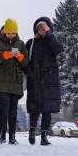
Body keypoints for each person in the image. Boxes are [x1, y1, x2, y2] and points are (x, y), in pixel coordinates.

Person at [0, 18, 29, 145]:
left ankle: (12, 136)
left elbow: (26, 62)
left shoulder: (21, 44)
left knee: (13, 110)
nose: (11, 35)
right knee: (3, 109)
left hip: (15, 82)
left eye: (13, 33)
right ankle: (1, 135)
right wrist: (3, 56)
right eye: (8, 32)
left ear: (16, 32)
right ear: (4, 31)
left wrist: (21, 57)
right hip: (1, 82)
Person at [26, 17, 64, 146]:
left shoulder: (52, 41)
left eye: (44, 28)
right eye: (39, 28)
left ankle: (44, 136)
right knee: (34, 109)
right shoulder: (31, 43)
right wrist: (30, 74)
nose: (42, 30)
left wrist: (49, 34)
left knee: (47, 110)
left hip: (49, 82)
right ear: (36, 30)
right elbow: (25, 61)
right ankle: (32, 131)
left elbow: (59, 51)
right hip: (35, 81)